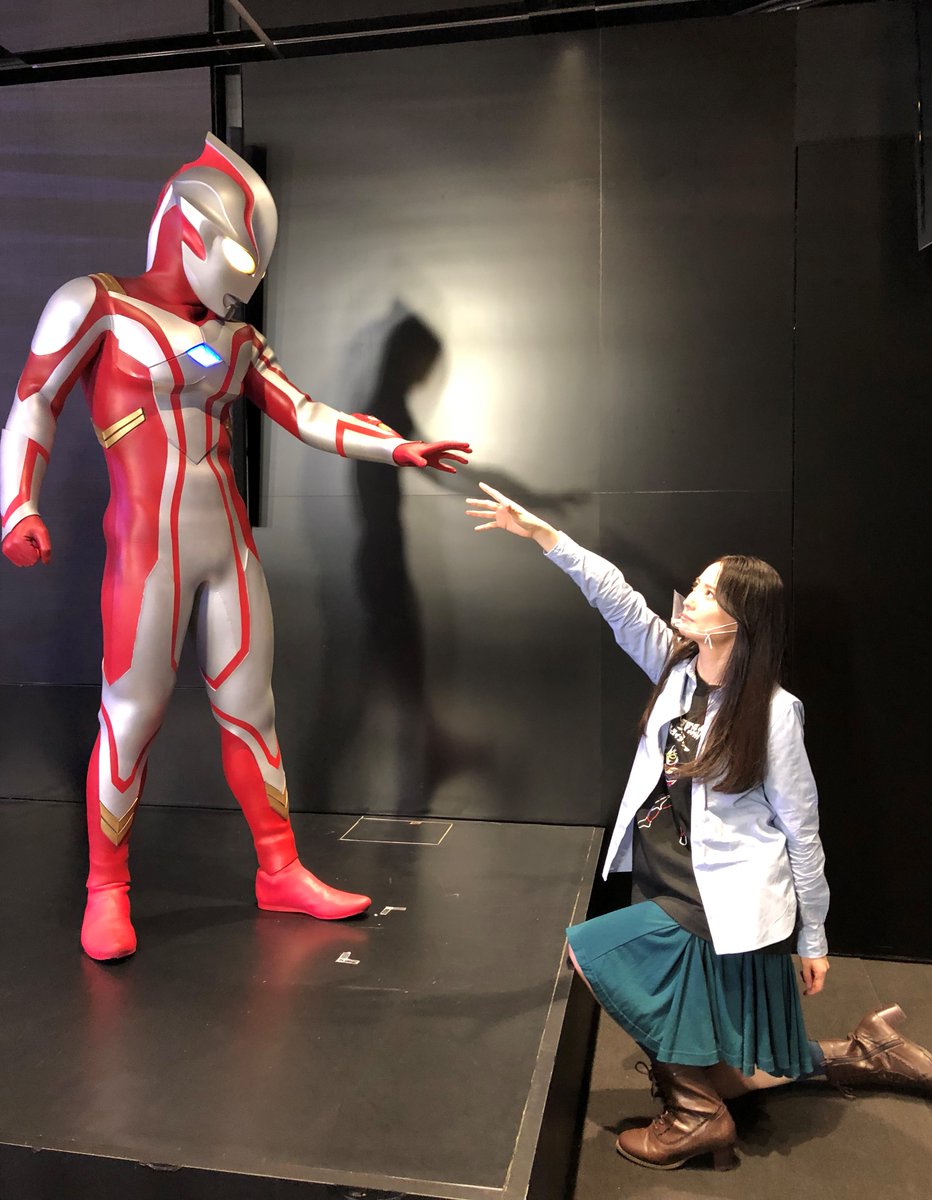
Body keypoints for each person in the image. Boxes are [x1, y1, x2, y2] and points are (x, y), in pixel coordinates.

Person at [0, 133, 471, 963]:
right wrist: (16, 507)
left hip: (227, 552)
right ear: (190, 228)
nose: (238, 285)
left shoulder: (238, 340)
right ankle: (106, 889)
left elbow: (306, 412)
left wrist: (399, 447)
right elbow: (35, 401)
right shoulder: (97, 304)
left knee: (253, 713)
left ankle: (280, 869)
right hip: (147, 552)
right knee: (131, 715)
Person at [466, 481, 932, 1171]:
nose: (692, 597)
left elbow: (802, 831)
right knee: (732, 1065)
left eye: (710, 592)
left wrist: (814, 936)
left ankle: (694, 1117)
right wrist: (543, 535)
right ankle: (868, 1053)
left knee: (590, 955)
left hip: (718, 896)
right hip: (666, 873)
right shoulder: (676, 668)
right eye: (698, 584)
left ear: (740, 621)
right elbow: (615, 596)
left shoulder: (773, 712)